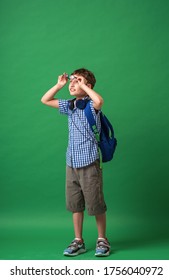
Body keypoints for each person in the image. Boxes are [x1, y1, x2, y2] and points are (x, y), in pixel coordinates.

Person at [41, 68, 110, 257]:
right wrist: (59, 85)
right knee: (75, 204)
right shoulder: (70, 106)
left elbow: (99, 101)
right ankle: (78, 240)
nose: (73, 84)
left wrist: (84, 87)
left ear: (87, 86)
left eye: (78, 81)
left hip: (89, 162)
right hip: (71, 162)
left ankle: (102, 239)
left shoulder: (90, 106)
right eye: (72, 81)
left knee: (95, 203)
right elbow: (45, 100)